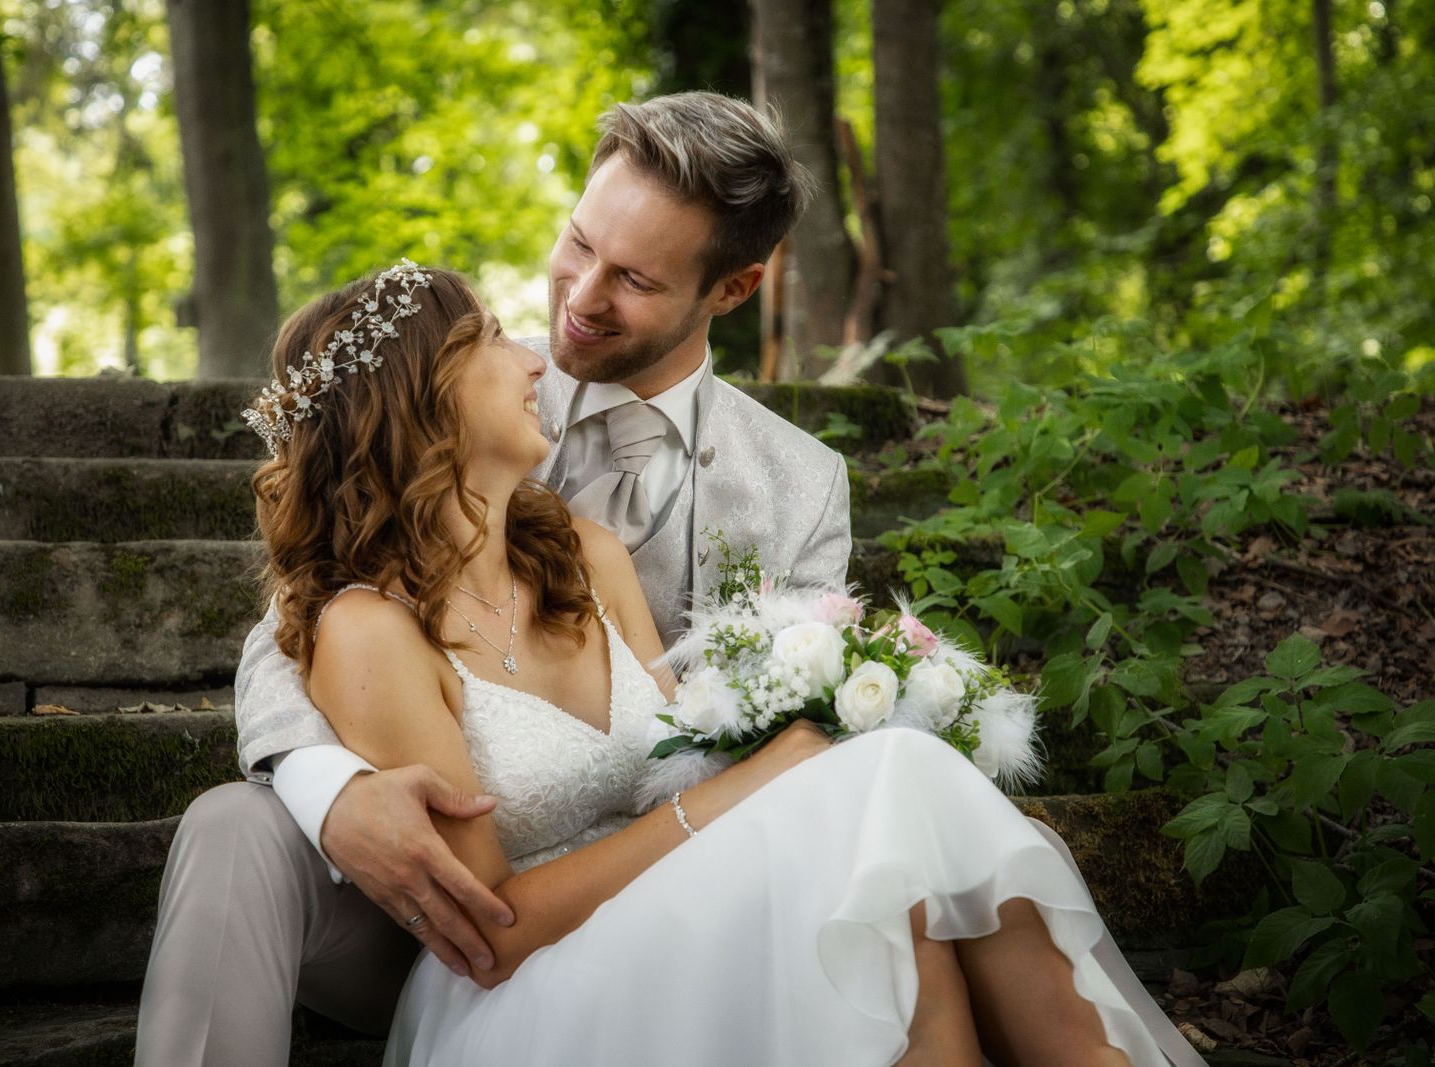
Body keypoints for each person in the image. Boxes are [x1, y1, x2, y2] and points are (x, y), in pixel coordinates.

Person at [135, 94, 1202, 1066]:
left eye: (635, 279)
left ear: (731, 288)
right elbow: (312, 615)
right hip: (476, 916)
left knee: (909, 833)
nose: (571, 309)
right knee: (235, 823)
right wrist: (330, 789)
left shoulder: (789, 486)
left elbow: (737, 727)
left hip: (704, 861)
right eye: (577, 244)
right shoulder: (445, 369)